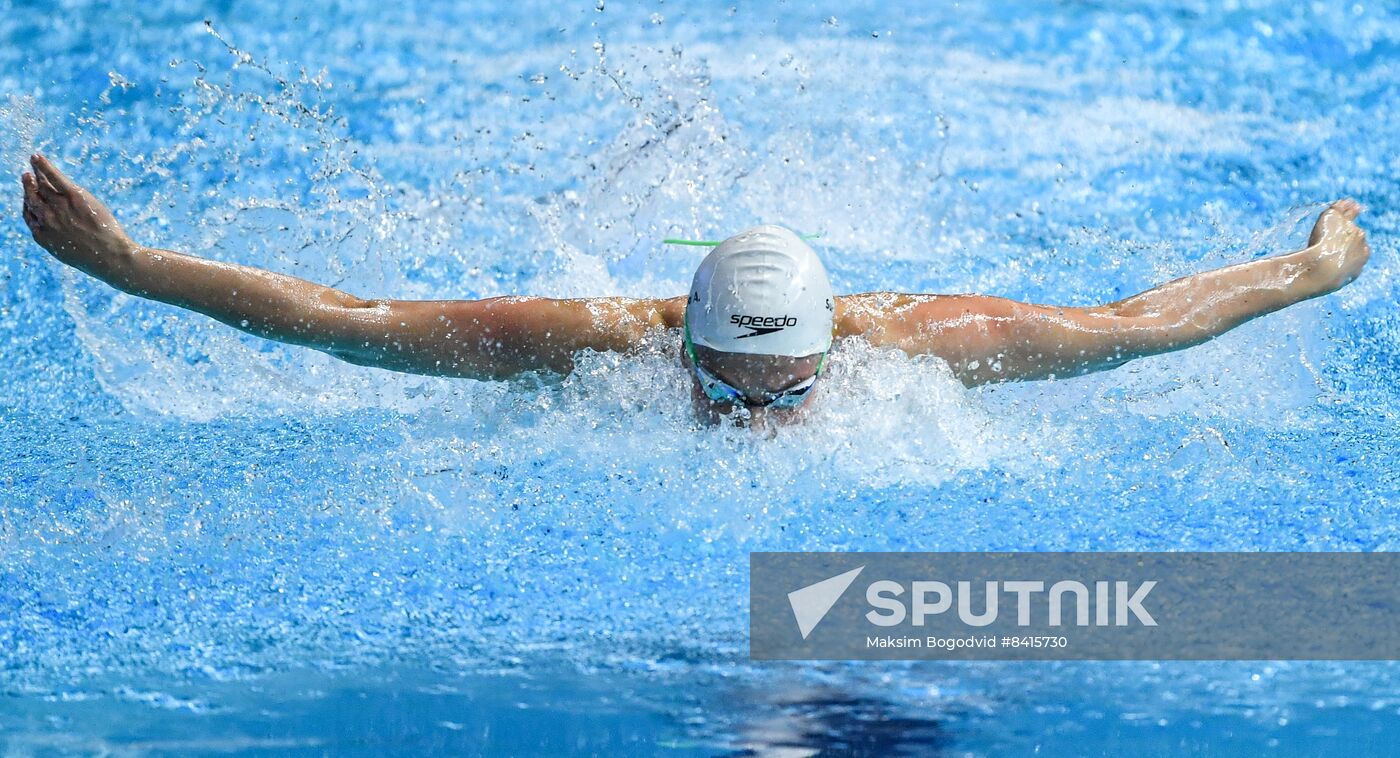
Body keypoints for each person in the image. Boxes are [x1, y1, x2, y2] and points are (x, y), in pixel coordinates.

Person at [20, 153, 1371, 422]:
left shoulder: (921, 349)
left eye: (791, 396)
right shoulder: (605, 342)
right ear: (689, 349)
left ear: (834, 351)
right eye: (730, 393)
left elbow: (1137, 326)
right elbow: (348, 322)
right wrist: (130, 269)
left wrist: (1312, 271)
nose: (761, 428)